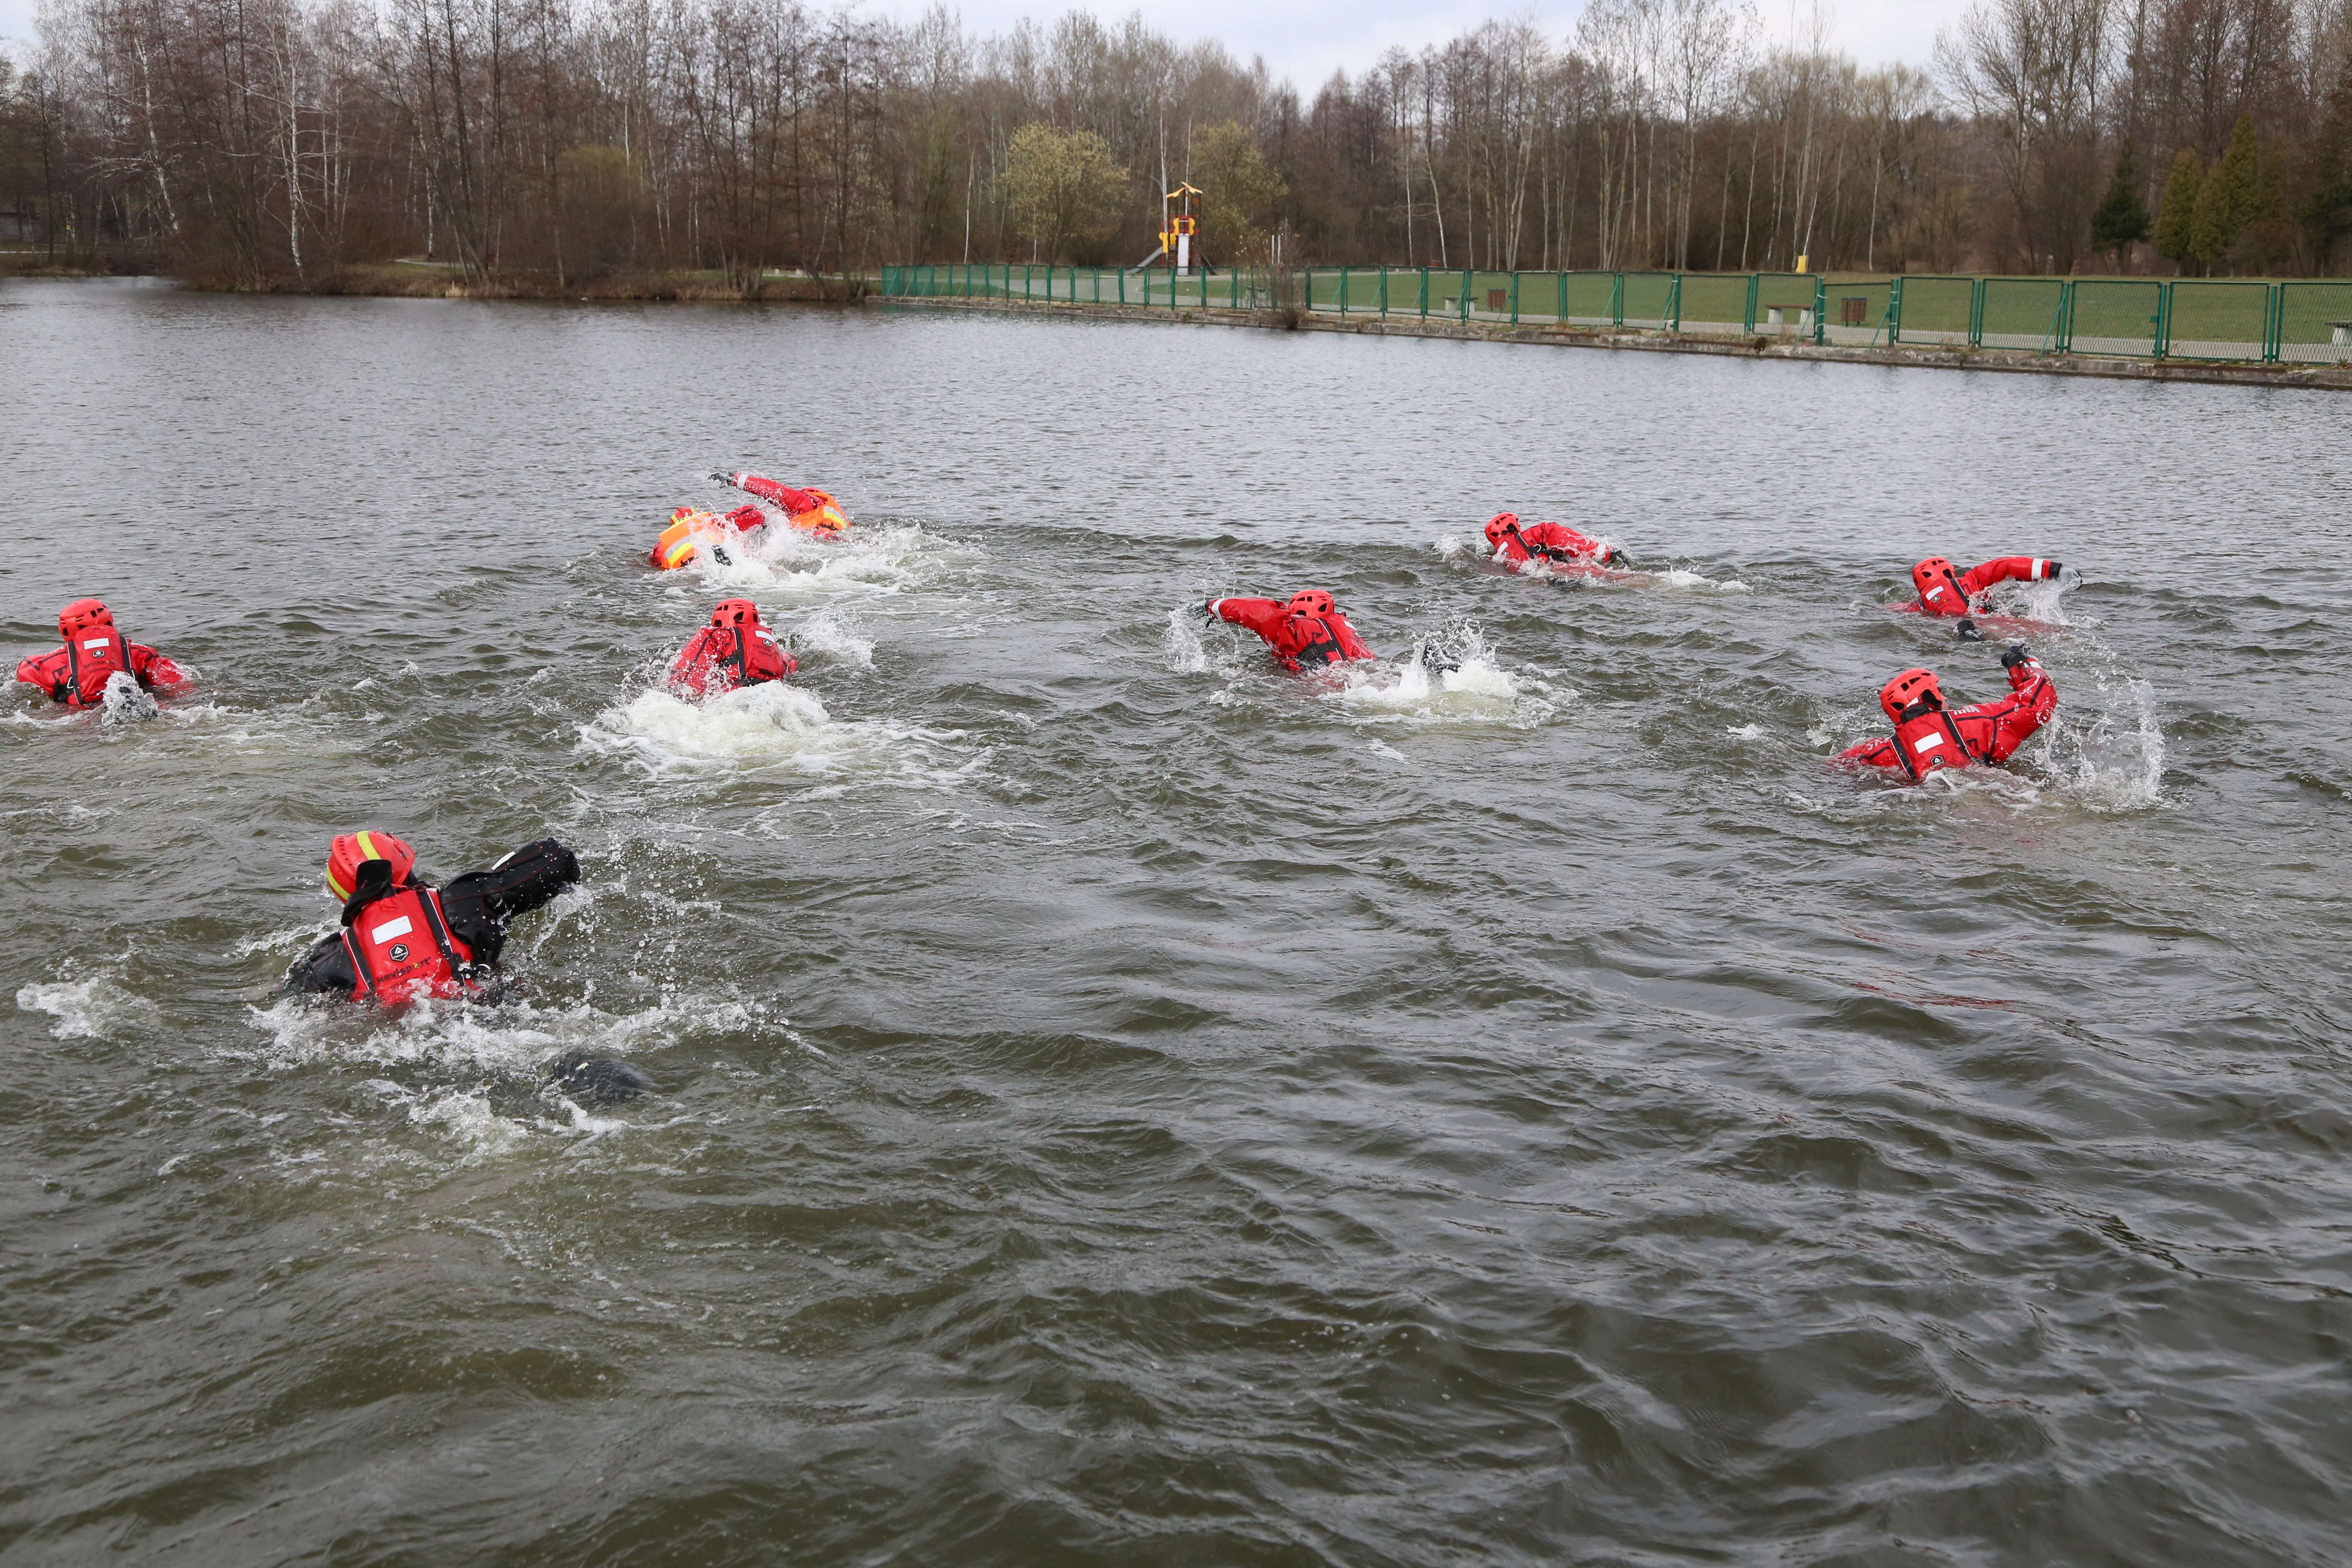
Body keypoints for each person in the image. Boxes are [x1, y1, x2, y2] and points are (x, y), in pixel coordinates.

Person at [285, 832, 581, 1007]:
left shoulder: (328, 962)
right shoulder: (459, 901)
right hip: (496, 1014)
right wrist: (487, 877)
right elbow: (557, 860)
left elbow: (289, 996)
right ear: (403, 864)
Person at [1835, 646, 2057, 783]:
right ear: (1927, 697)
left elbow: (1835, 765)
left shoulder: (1879, 751)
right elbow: (2039, 703)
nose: (1946, 699)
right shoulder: (1970, 722)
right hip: (1988, 794)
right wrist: (2021, 664)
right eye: (1939, 691)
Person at [15, 598, 188, 709]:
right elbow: (179, 685)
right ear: (108, 621)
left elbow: (27, 682)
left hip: (77, 722)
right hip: (135, 710)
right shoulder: (139, 653)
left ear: (65, 630)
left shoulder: (45, 664)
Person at [1204, 590, 1376, 672]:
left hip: (1322, 684)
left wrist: (1213, 606)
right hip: (1368, 674)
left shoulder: (1297, 627)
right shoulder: (1345, 627)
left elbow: (1262, 613)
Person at [667, 598, 796, 700]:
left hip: (733, 697)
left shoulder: (718, 634)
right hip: (775, 696)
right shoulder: (777, 650)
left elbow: (688, 677)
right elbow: (792, 666)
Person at [1907, 554, 2064, 617]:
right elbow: (2005, 566)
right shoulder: (1968, 582)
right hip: (1990, 625)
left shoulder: (1917, 607)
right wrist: (2051, 569)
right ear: (1948, 572)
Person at [713, 472, 849, 536]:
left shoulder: (809, 502)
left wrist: (737, 481)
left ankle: (718, 529)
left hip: (811, 540)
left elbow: (776, 492)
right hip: (826, 544)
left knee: (754, 514)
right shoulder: (837, 518)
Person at [1483, 512, 1627, 570]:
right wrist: (1604, 553)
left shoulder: (1496, 560)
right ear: (1509, 525)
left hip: (1533, 586)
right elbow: (1554, 533)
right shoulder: (1527, 536)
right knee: (1623, 579)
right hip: (1556, 573)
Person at [649, 503, 769, 570]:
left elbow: (653, 562)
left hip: (686, 571)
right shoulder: (709, 521)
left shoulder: (661, 545)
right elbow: (753, 513)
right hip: (714, 559)